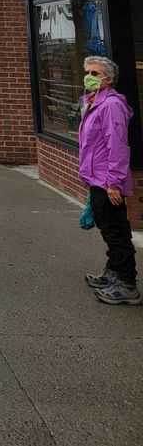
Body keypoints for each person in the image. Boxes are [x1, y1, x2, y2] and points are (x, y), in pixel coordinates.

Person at [79, 55, 139, 305]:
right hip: (97, 178)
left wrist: (113, 182)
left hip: (107, 181)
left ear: (108, 79)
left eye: (95, 74)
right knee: (109, 229)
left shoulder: (112, 105)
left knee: (116, 232)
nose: (89, 77)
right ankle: (113, 273)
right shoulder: (92, 101)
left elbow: (117, 146)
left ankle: (127, 285)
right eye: (88, 72)